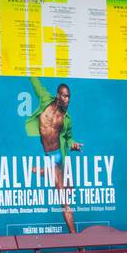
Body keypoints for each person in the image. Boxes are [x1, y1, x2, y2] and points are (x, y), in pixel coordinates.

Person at [26, 77, 83, 233]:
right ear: (58, 95)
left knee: (67, 194)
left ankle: (43, 171)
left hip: (59, 157)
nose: (67, 99)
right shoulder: (45, 99)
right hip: (49, 156)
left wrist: (74, 144)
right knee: (64, 194)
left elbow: (69, 137)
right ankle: (77, 241)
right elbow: (35, 83)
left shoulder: (66, 119)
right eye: (64, 96)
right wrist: (27, 67)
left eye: (69, 97)